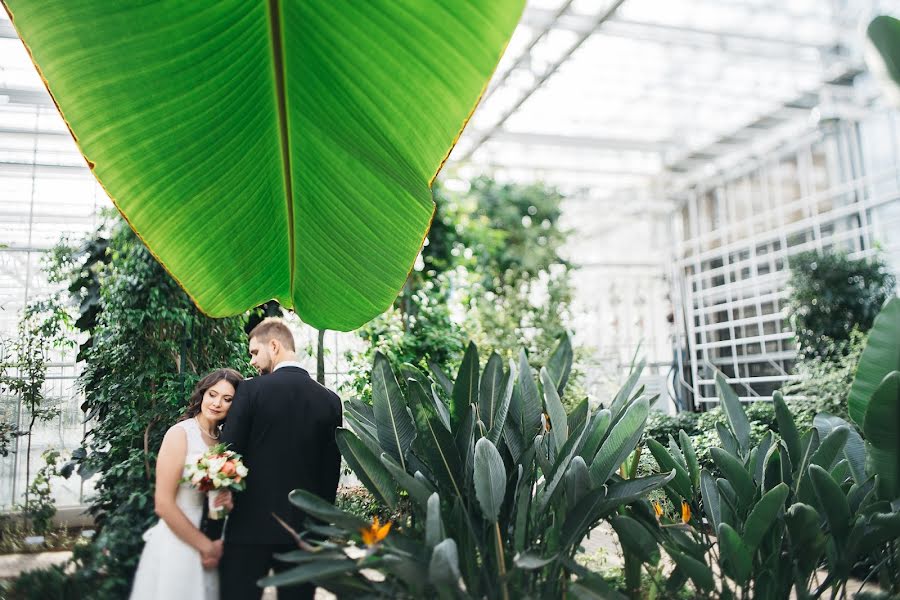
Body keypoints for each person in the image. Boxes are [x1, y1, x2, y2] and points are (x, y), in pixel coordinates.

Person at [219, 318, 342, 600]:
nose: (252, 362)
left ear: (273, 346)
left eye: (254, 352)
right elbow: (330, 471)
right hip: (303, 531)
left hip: (249, 528)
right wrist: (318, 527)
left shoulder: (251, 391)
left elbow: (228, 454)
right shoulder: (330, 400)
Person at [130, 368, 244, 600]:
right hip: (179, 540)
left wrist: (226, 502)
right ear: (202, 394)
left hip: (214, 537)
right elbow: (163, 503)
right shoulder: (180, 434)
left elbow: (218, 499)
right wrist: (205, 546)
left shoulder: (225, 441)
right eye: (212, 394)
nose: (217, 403)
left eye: (227, 398)